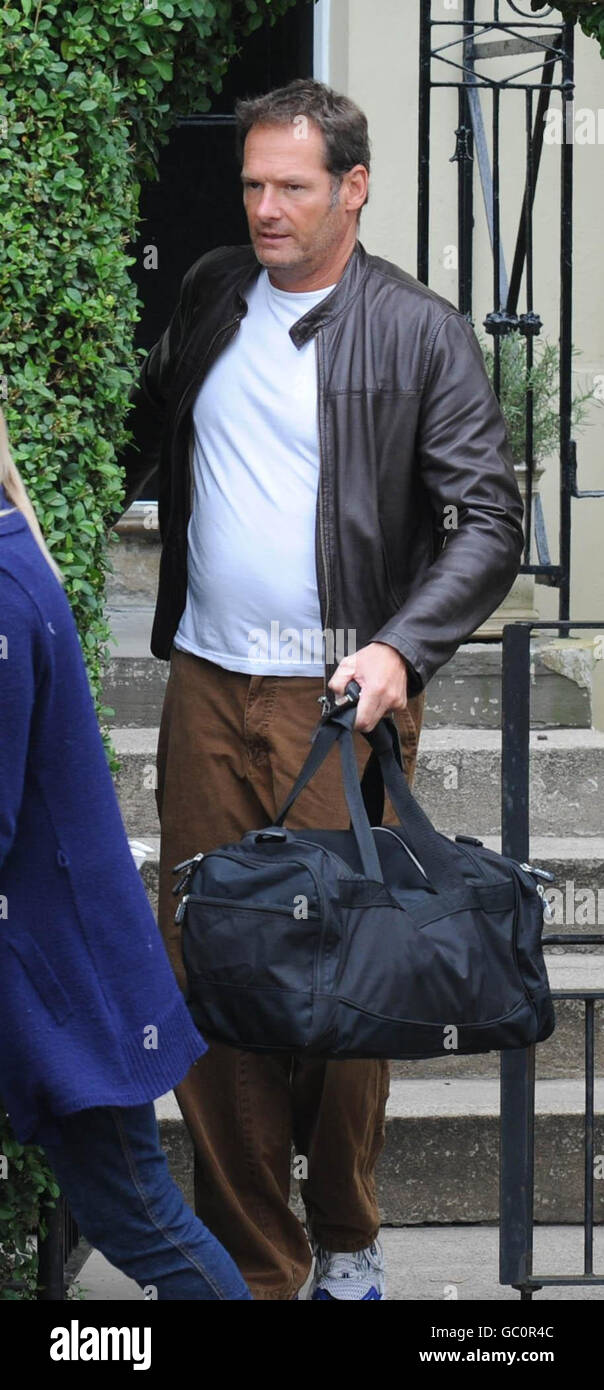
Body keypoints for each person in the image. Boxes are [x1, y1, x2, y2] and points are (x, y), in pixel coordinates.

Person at [115, 78, 524, 1301]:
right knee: (213, 962)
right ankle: (253, 1266)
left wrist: (401, 648)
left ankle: (347, 1235)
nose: (265, 208)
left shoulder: (416, 329)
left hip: (340, 699)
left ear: (353, 187)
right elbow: (148, 430)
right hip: (206, 682)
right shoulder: (211, 293)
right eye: (252, 183)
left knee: (349, 974)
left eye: (293, 185)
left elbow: (488, 520)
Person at [0, 408, 251, 1300]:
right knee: (133, 1213)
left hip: (70, 977)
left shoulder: (1, 586)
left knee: (140, 1219)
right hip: (65, 966)